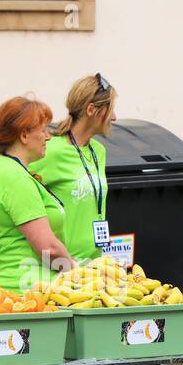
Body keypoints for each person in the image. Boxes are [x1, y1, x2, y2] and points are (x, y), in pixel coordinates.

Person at [0, 96, 74, 292]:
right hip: (26, 295)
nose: (48, 137)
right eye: (44, 130)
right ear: (24, 135)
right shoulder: (14, 178)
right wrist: (76, 271)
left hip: (8, 289)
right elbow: (48, 248)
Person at [31, 73, 118, 263]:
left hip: (94, 263)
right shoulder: (51, 150)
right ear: (91, 110)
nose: (114, 117)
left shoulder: (99, 151)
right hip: (60, 265)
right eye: (110, 110)